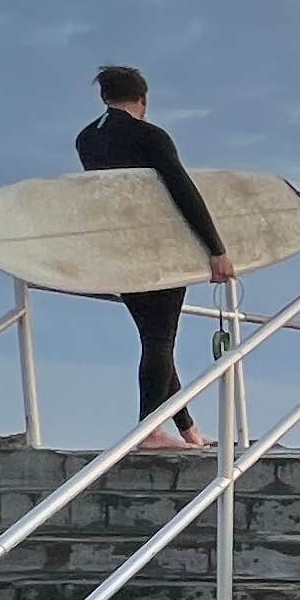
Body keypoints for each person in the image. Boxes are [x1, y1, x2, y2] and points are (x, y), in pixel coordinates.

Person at [75, 63, 235, 456]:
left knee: (156, 340)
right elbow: (182, 191)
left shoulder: (86, 141)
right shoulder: (150, 136)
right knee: (160, 339)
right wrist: (216, 248)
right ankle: (149, 430)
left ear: (104, 97)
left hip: (118, 252)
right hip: (157, 250)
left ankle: (187, 428)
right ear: (143, 99)